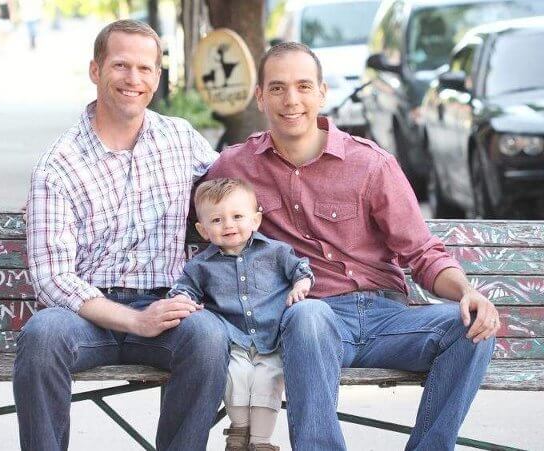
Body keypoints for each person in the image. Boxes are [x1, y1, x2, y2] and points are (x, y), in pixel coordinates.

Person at [206, 41, 500, 451]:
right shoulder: (235, 167)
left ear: (322, 92)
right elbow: (198, 231)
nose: (291, 100)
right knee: (306, 316)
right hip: (313, 321)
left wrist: (468, 293)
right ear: (259, 96)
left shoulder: (370, 164)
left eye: (304, 86)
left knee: (474, 328)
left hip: (386, 317)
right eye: (277, 88)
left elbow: (422, 252)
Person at [13, 20, 227, 451]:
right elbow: (52, 277)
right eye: (121, 65)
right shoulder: (59, 165)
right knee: (41, 338)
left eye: (146, 69)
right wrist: (133, 320)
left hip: (166, 303)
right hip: (87, 316)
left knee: (208, 338)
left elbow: (232, 191)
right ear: (96, 70)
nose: (134, 79)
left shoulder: (180, 140)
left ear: (158, 77)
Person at [167, 178, 315, 451]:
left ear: (256, 220)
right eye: (217, 220)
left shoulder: (276, 252)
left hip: (271, 339)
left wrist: (301, 285)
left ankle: (260, 443)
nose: (229, 225)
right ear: (203, 230)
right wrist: (183, 301)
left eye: (237, 216)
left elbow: (300, 269)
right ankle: (239, 433)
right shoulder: (200, 265)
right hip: (232, 339)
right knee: (234, 377)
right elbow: (183, 289)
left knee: (267, 381)